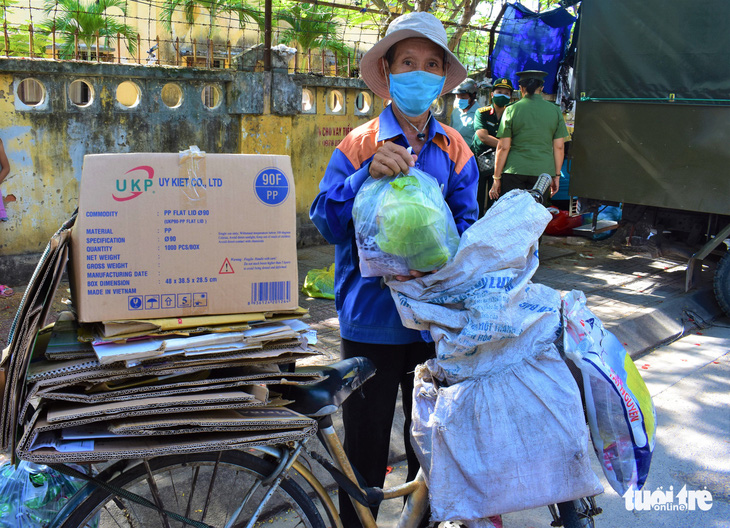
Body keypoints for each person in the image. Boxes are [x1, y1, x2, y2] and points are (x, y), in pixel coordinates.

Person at [309, 11, 478, 527]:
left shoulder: (455, 148)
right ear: (388, 70)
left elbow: (469, 231)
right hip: (372, 322)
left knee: (428, 447)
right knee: (363, 451)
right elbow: (326, 221)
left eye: (432, 64)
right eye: (409, 61)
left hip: (435, 326)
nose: (420, 72)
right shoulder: (358, 144)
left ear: (442, 79)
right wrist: (365, 175)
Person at [489, 70, 570, 203]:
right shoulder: (555, 110)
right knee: (535, 216)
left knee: (512, 215)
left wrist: (496, 178)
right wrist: (556, 176)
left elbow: (503, 147)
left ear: (521, 88)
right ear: (542, 88)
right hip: (542, 173)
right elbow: (559, 147)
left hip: (514, 171)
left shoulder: (511, 109)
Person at [472, 77, 514, 216]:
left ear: (511, 97)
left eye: (506, 93)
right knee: (477, 196)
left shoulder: (512, 114)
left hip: (499, 161)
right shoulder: (482, 112)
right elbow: (482, 136)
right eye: (499, 91)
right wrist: (505, 145)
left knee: (495, 197)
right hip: (479, 159)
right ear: (492, 94)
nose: (503, 95)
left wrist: (503, 148)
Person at [449, 78, 479, 146]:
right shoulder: (456, 112)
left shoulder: (479, 114)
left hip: (470, 153)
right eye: (457, 96)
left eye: (463, 97)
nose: (459, 100)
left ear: (473, 95)